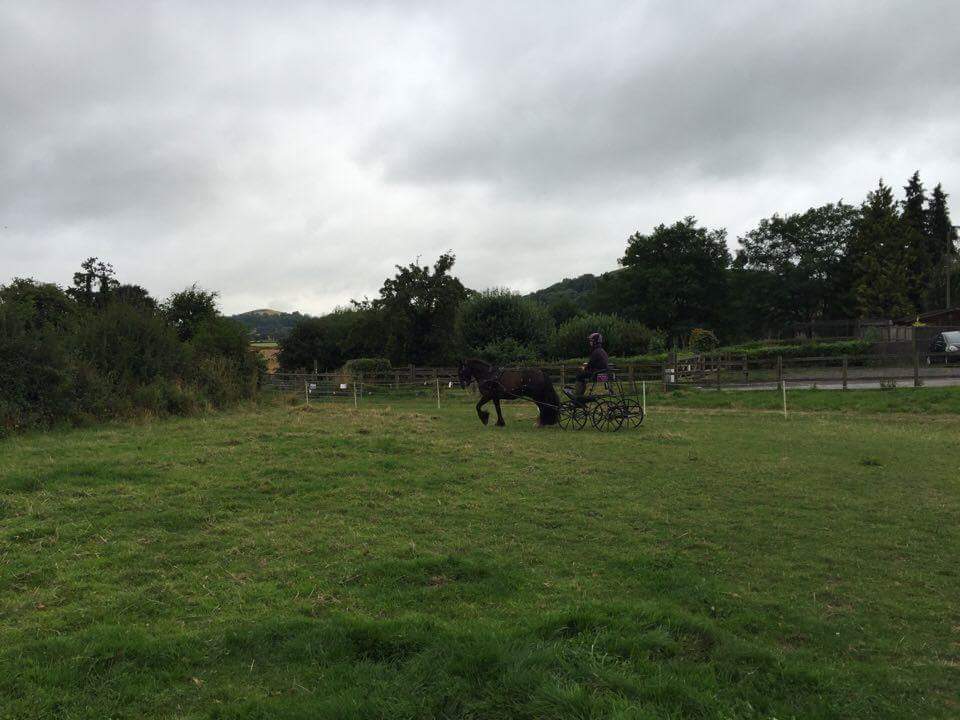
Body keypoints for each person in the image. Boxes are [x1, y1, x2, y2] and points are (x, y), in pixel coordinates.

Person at [567, 332, 609, 404]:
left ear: (595, 342)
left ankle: (577, 395)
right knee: (583, 375)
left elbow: (591, 365)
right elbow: (595, 363)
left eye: (591, 341)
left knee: (579, 375)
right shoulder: (601, 351)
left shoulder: (595, 352)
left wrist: (584, 368)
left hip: (596, 374)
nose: (590, 343)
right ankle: (579, 394)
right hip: (601, 373)